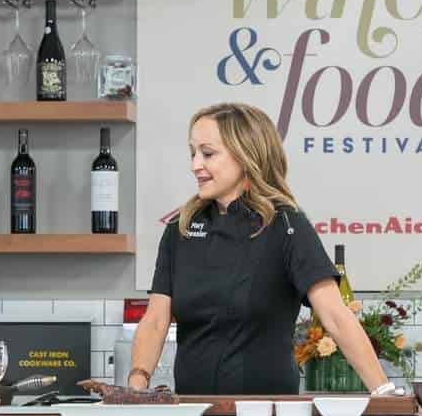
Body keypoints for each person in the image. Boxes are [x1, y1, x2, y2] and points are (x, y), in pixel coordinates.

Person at [128, 102, 394, 396]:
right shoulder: (180, 229)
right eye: (193, 153)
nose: (195, 165)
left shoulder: (287, 225)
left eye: (208, 153)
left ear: (246, 155)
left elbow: (335, 316)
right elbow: (155, 321)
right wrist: (135, 387)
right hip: (194, 414)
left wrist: (384, 393)